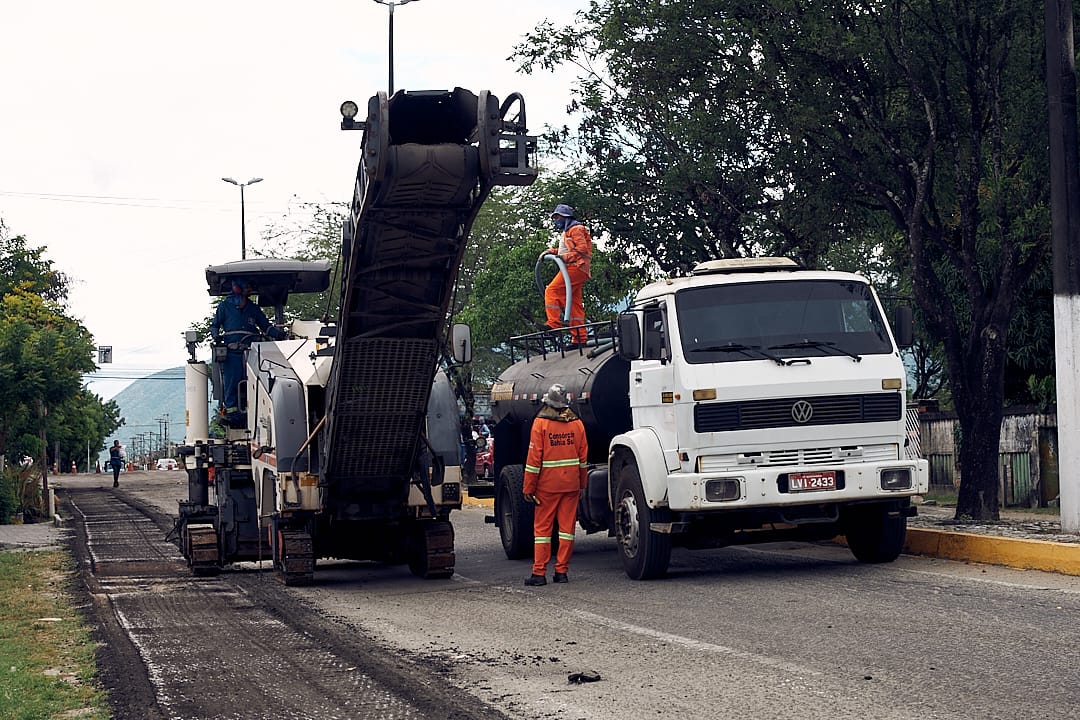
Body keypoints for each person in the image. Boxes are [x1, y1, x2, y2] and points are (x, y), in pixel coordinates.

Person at [522, 383, 589, 586]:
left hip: (547, 487)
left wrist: (528, 487)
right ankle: (561, 572)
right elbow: (583, 457)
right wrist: (582, 484)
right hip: (571, 485)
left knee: (542, 531)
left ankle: (539, 573)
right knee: (567, 530)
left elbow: (534, 459)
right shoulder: (577, 423)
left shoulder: (541, 424)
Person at [209, 277, 286, 425]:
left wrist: (279, 334)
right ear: (238, 288)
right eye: (247, 287)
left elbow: (266, 327)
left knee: (256, 381)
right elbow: (214, 326)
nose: (249, 290)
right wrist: (216, 336)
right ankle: (232, 412)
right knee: (231, 381)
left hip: (252, 352)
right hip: (232, 353)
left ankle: (255, 409)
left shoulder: (253, 308)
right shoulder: (224, 307)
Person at [544, 204, 592, 347]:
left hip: (576, 267)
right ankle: (579, 339)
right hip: (577, 268)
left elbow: (582, 249)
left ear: (565, 217)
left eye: (557, 217)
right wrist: (552, 251)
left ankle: (553, 325)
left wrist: (566, 258)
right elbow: (566, 249)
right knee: (573, 304)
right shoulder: (568, 231)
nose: (555, 221)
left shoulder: (575, 229)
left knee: (552, 290)